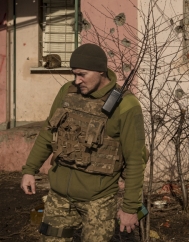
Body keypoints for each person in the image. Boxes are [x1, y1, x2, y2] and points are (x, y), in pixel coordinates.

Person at [20, 43, 147, 241]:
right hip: (59, 197)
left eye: (82, 74)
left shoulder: (127, 105)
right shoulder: (67, 92)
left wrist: (130, 208)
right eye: (74, 74)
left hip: (99, 200)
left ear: (101, 71)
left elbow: (135, 160)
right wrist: (30, 170)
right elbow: (48, 132)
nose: (77, 80)